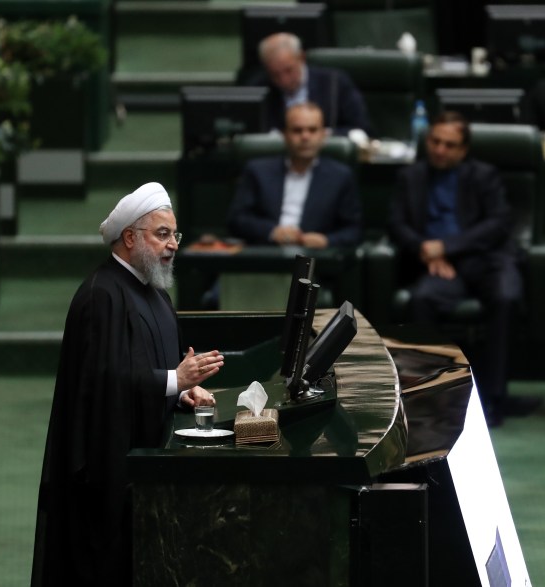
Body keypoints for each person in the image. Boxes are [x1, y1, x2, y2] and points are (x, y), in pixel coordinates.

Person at [31, 183, 224, 586]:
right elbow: (105, 383)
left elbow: (146, 369)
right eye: (162, 234)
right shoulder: (103, 295)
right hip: (106, 478)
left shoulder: (151, 292)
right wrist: (175, 378)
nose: (172, 245)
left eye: (175, 235)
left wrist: (182, 391)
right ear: (130, 237)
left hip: (144, 462)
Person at [388, 111, 537, 427]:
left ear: (463, 149)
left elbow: (498, 224)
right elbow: (396, 225)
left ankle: (493, 399)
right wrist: (425, 250)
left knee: (506, 296)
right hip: (441, 269)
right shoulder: (410, 177)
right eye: (436, 142)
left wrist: (447, 247)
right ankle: (430, 397)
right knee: (422, 299)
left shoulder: (484, 176)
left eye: (450, 145)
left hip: (487, 260)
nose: (441, 150)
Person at [227, 101, 362, 248]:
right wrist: (271, 232)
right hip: (265, 251)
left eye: (312, 130)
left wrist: (327, 241)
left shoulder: (340, 176)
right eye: (297, 130)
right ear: (285, 135)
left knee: (302, 271)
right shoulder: (257, 171)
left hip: (308, 255)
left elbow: (354, 231)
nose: (305, 137)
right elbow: (236, 220)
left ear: (323, 135)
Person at [248, 32, 373, 136]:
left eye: (289, 70)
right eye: (275, 74)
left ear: (301, 58)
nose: (283, 80)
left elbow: (361, 128)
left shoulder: (335, 83)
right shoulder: (259, 89)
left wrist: (323, 135)